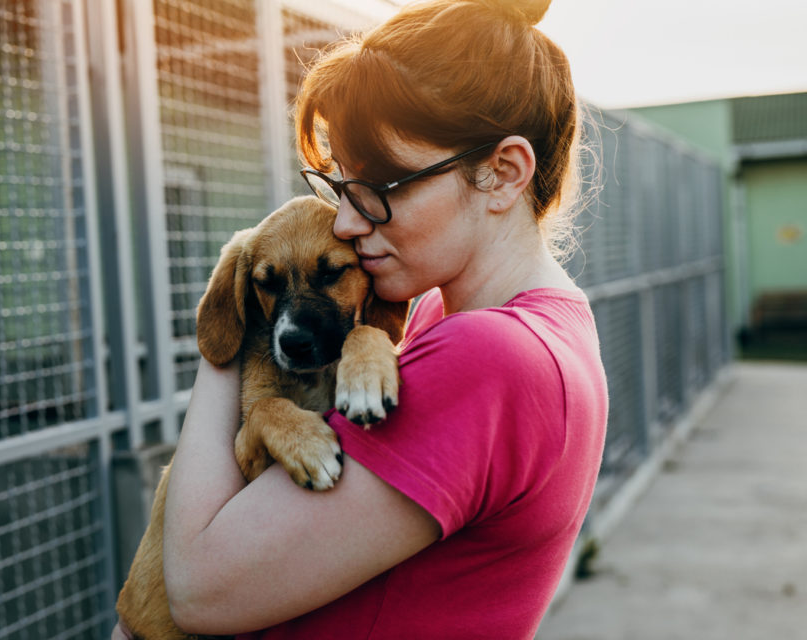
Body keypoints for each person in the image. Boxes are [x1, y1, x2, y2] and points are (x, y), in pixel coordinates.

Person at [160, 1, 608, 638]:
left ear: (503, 174)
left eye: (382, 186)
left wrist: (238, 323)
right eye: (339, 186)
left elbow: (201, 590)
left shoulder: (488, 357)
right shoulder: (472, 319)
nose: (345, 222)